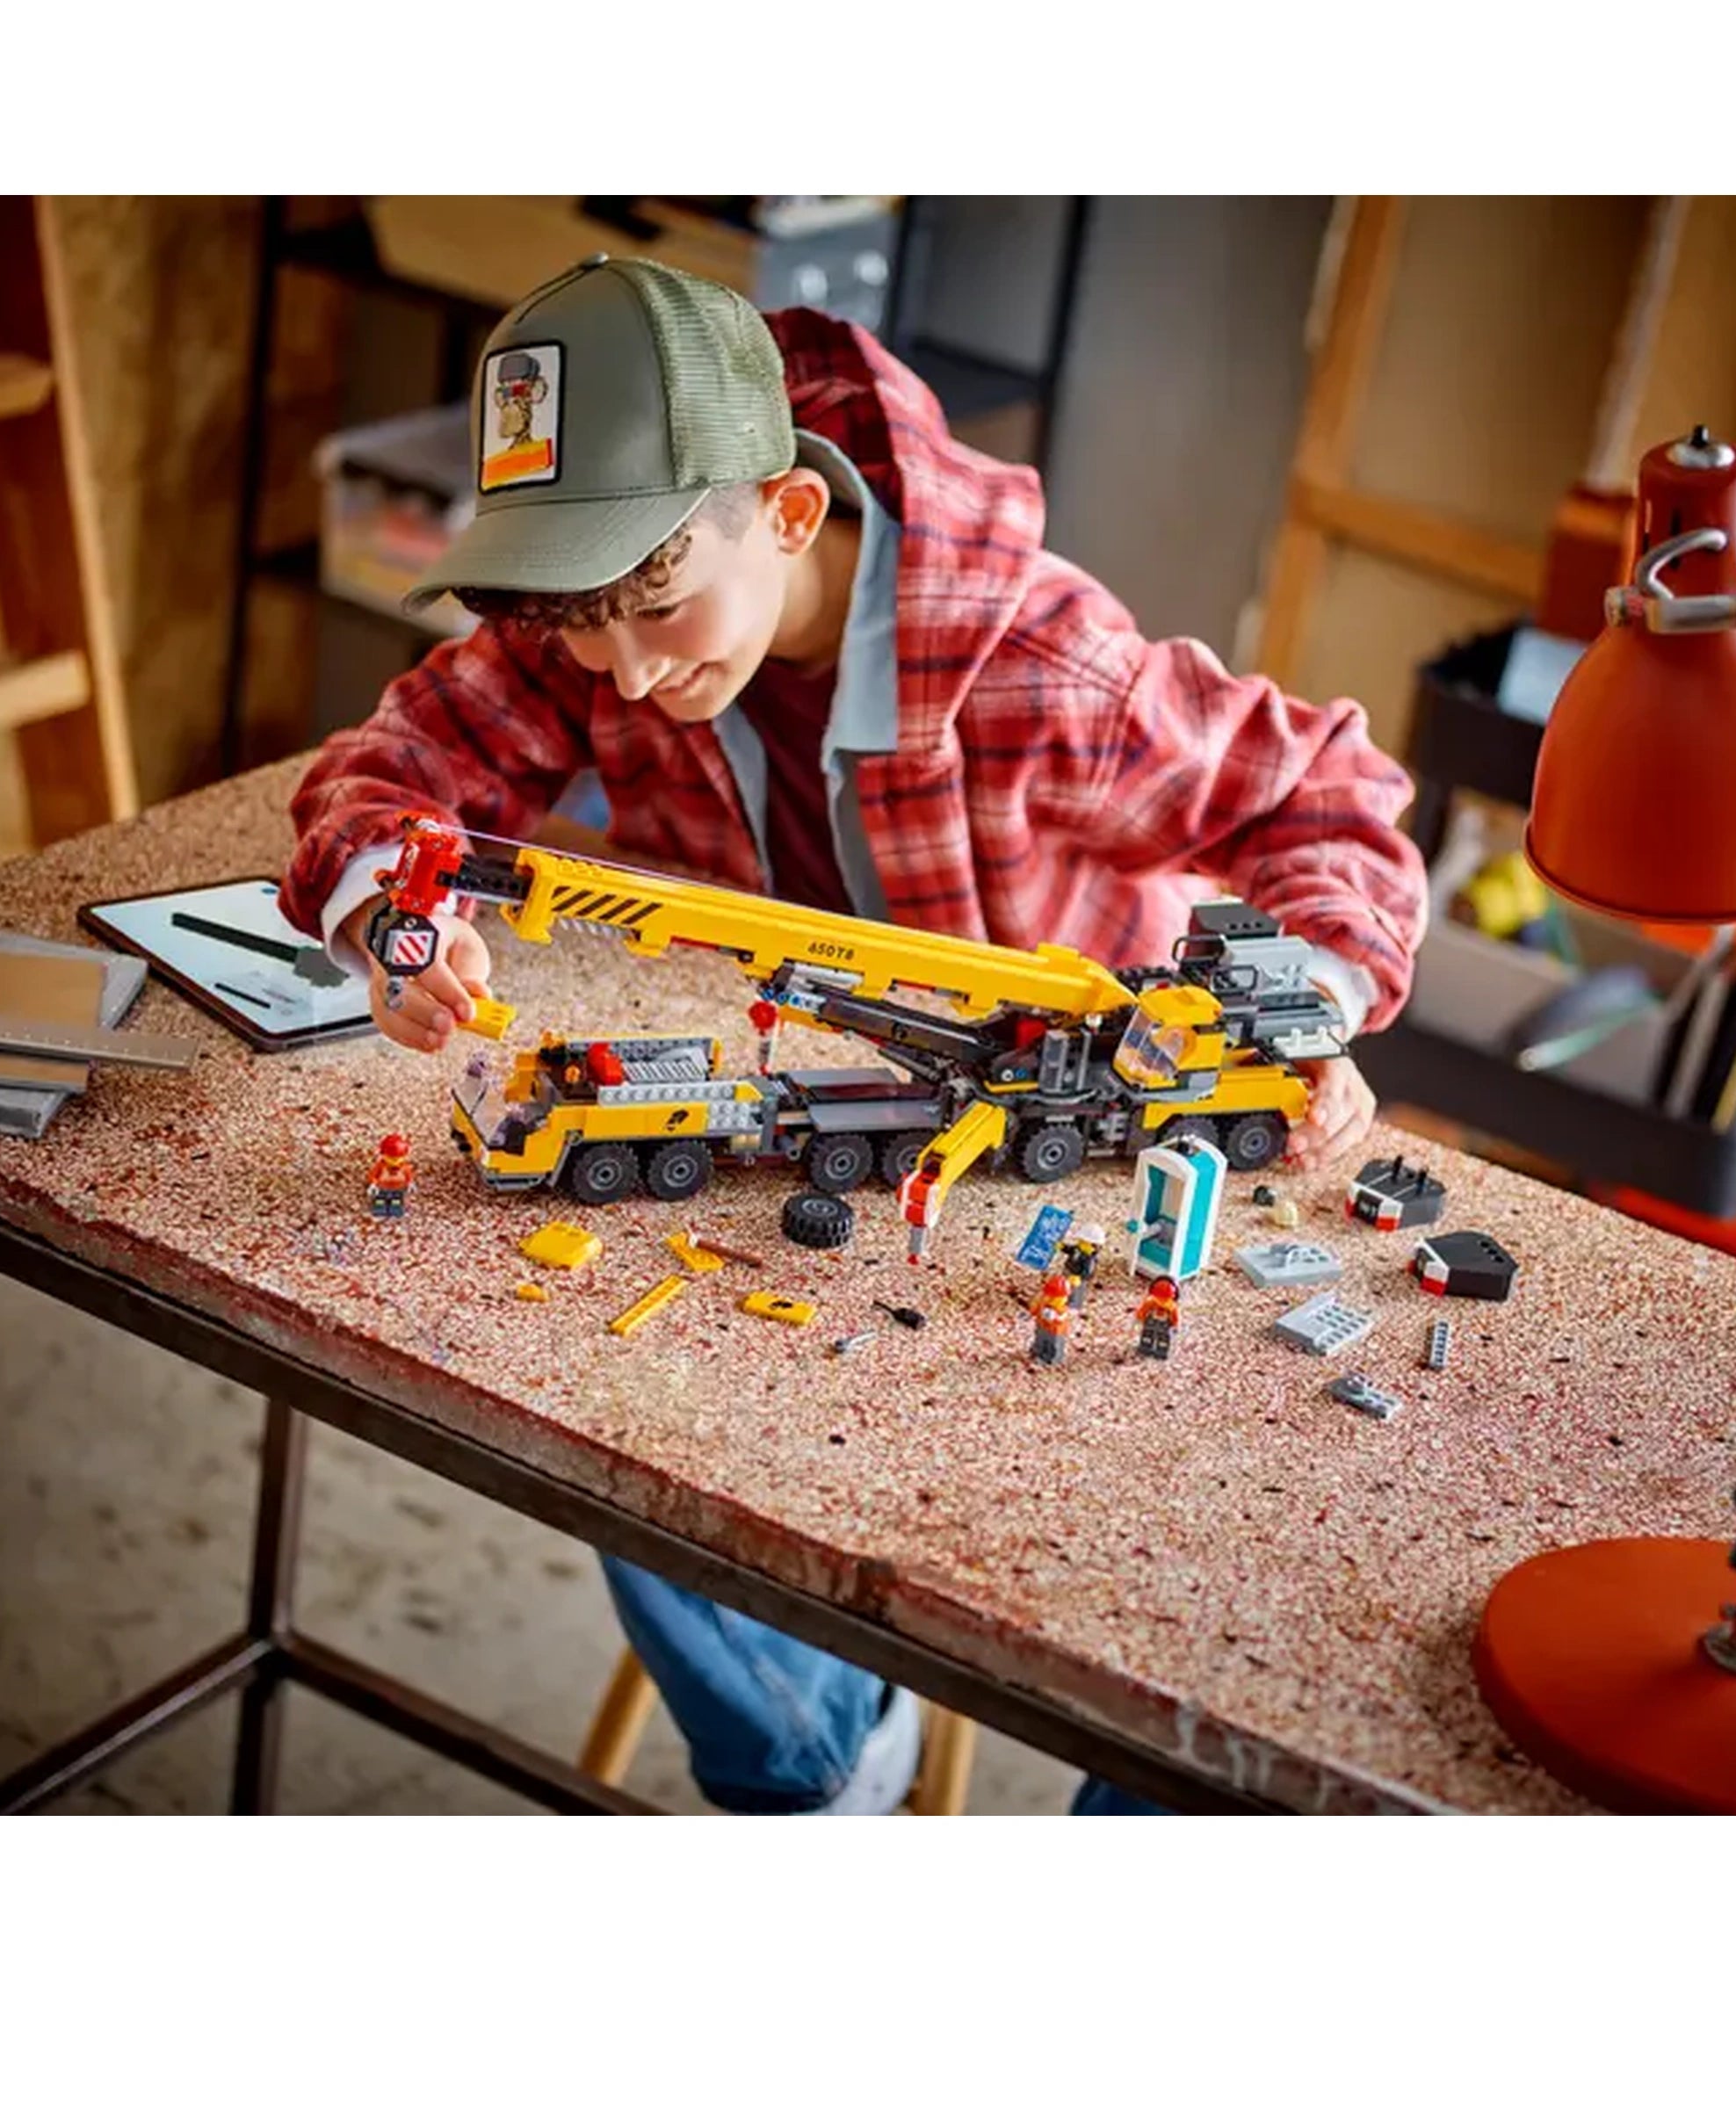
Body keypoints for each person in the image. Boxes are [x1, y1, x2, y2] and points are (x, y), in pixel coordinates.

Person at [278, 253, 1428, 1817]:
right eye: (577, 626)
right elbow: (390, 762)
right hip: (824, 1151)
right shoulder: (609, 625)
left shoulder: (1049, 676)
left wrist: (1311, 1001)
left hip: (1069, 1156)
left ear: (791, 514)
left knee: (1213, 1666)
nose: (622, 672)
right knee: (607, 1406)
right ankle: (821, 1773)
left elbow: (1333, 801)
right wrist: (383, 921)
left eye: (655, 609)